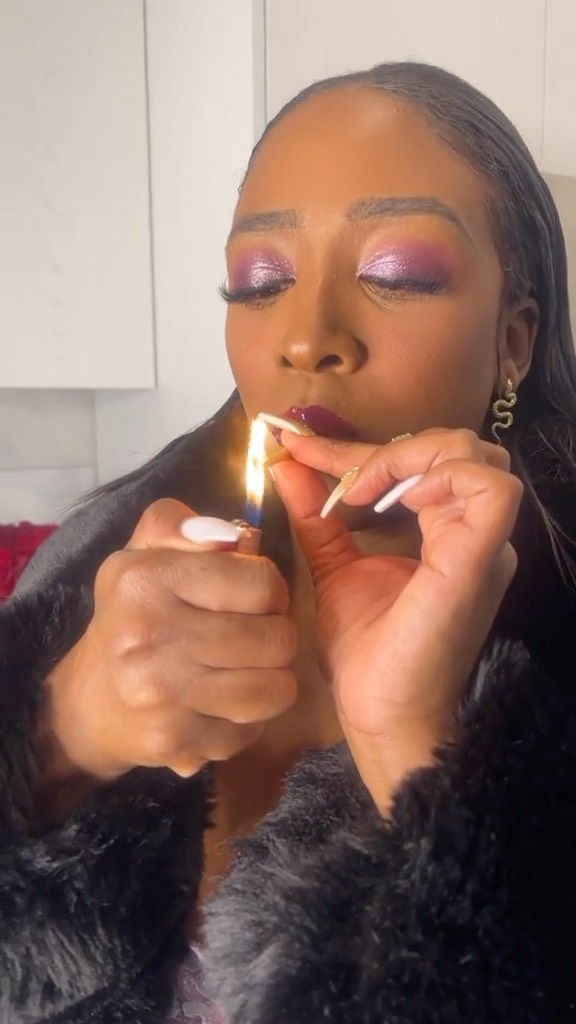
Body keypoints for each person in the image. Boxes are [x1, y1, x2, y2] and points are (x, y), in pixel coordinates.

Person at [3, 59, 576, 1023]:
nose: (307, 338)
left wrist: (420, 758)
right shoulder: (106, 578)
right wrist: (62, 734)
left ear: (512, 341)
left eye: (397, 275)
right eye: (260, 283)